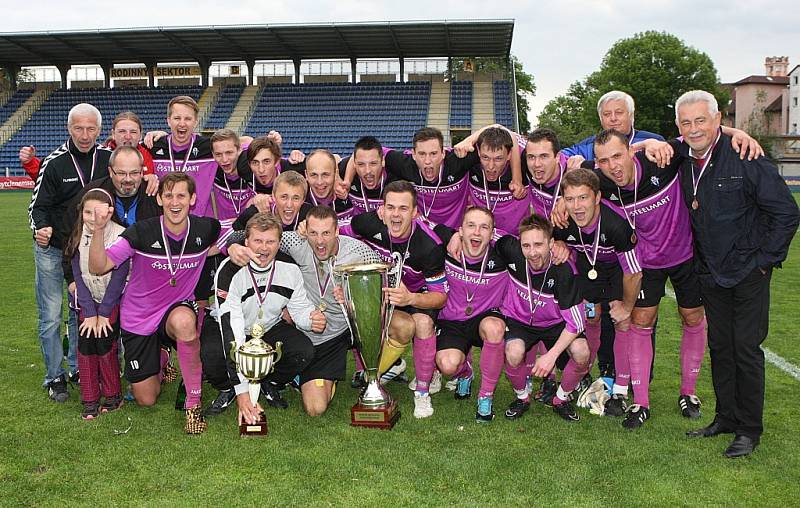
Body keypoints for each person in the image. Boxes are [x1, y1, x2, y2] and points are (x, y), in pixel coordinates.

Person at [672, 91, 799, 457]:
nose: (694, 129)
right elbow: (650, 149)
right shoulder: (683, 158)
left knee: (745, 349)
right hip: (710, 273)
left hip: (747, 274)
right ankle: (725, 417)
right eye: (686, 122)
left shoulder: (746, 156)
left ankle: (749, 429)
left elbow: (787, 214)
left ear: (717, 121)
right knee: (720, 348)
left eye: (701, 120)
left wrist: (762, 261)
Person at [88, 172, 227, 434]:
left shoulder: (206, 228)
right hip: (139, 316)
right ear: (160, 200)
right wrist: (98, 230)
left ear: (193, 199)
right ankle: (162, 356)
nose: (175, 202)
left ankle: (193, 405)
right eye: (169, 195)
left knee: (186, 323)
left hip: (176, 311)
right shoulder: (141, 232)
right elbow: (99, 266)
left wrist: (237, 247)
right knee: (146, 399)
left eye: (181, 196)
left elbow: (232, 238)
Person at [584, 129, 708, 419]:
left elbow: (700, 135)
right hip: (645, 264)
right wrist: (563, 204)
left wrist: (738, 134)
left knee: (692, 317)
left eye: (618, 155)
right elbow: (573, 179)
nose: (613, 166)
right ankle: (641, 403)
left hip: (685, 255)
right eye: (603, 160)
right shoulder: (600, 181)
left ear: (631, 152)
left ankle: (689, 393)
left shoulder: (660, 160)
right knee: (640, 321)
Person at [338, 181, 447, 418]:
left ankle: (422, 393)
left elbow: (440, 297)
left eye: (403, 208)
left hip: (414, 297)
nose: (396, 215)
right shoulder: (367, 224)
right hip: (380, 294)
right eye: (391, 207)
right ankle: (379, 371)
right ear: (382, 209)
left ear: (415, 212)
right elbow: (335, 234)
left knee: (423, 324)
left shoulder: (430, 246)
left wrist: (411, 297)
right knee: (360, 309)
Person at [28, 102, 112, 401]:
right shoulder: (54, 162)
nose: (85, 134)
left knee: (82, 311)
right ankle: (54, 376)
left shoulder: (108, 159)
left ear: (99, 130)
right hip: (54, 250)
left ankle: (78, 366)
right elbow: (37, 207)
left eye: (91, 128)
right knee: (51, 315)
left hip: (87, 250)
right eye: (79, 127)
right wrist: (41, 228)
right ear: (69, 128)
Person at [553, 168, 646, 428]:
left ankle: (620, 390)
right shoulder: (563, 220)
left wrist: (627, 306)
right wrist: (557, 245)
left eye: (583, 198)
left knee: (622, 321)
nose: (576, 206)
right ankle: (584, 374)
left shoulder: (616, 225)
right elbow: (552, 242)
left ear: (597, 198)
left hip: (617, 271)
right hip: (588, 268)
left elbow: (634, 273)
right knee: (589, 317)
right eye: (569, 199)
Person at [214, 213, 322, 425]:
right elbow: (232, 331)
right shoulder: (229, 270)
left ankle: (267, 381)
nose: (264, 248)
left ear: (279, 243)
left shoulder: (290, 268)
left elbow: (299, 308)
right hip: (236, 328)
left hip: (269, 327)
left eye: (270, 241)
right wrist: (243, 393)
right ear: (246, 242)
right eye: (258, 241)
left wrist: (312, 319)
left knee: (303, 351)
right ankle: (230, 389)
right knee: (212, 357)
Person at [281, 206, 381, 415]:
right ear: (305, 231)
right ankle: (299, 374)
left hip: (337, 335)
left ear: (337, 231)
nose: (319, 241)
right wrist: (236, 247)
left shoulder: (359, 252)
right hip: (304, 333)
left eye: (326, 233)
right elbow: (255, 237)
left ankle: (363, 374)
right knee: (314, 408)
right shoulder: (296, 242)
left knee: (316, 409)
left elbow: (382, 287)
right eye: (314, 233)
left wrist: (354, 298)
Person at [500, 215, 590, 422]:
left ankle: (561, 399)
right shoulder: (510, 249)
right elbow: (488, 234)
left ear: (551, 243)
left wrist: (551, 357)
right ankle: (522, 398)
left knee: (582, 351)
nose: (532, 253)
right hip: (520, 320)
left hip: (555, 324)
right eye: (526, 245)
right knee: (513, 353)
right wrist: (459, 236)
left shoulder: (565, 271)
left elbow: (576, 323)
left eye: (539, 245)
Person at [432, 207, 509, 422]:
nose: (477, 233)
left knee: (495, 328)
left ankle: (485, 396)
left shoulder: (502, 255)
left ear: (492, 234)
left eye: (484, 227)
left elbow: (533, 244)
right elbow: (423, 224)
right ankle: (465, 372)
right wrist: (452, 236)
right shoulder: (446, 249)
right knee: (447, 365)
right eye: (471, 226)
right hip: (452, 321)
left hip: (485, 317)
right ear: (461, 230)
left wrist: (559, 246)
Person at [63, 188, 130, 419]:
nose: (93, 218)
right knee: (86, 342)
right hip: (88, 302)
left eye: (99, 213)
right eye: (88, 212)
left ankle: (113, 395)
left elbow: (119, 278)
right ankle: (90, 397)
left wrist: (104, 312)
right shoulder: (77, 236)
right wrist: (90, 311)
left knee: (104, 341)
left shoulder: (121, 235)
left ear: (110, 212)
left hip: (113, 300)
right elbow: (78, 277)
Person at [20, 110, 157, 183]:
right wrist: (30, 163)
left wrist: (161, 134)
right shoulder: (100, 155)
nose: (128, 136)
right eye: (122, 131)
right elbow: (50, 177)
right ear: (113, 134)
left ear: (141, 134)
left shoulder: (152, 151)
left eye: (133, 132)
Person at [209, 129, 256, 221]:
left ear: (239, 150)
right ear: (213, 155)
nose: (224, 159)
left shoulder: (254, 167)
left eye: (229, 153)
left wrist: (293, 156)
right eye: (218, 154)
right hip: (225, 231)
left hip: (252, 229)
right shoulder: (211, 168)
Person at [303, 149, 353, 220]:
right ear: (306, 175)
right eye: (314, 175)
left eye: (325, 174)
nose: (319, 182)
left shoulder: (352, 195)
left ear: (335, 174)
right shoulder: (299, 202)